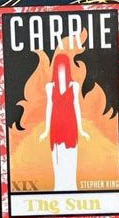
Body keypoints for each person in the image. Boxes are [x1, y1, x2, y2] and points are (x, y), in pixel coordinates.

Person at [39, 54, 90, 192]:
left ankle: (71, 187)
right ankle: (59, 187)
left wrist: (81, 129)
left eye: (64, 67)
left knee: (71, 155)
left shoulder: (74, 86)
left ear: (68, 68)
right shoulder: (50, 87)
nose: (61, 71)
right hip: (56, 125)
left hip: (70, 124)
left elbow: (76, 106)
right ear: (55, 69)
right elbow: (49, 108)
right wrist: (46, 130)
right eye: (59, 68)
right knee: (57, 155)